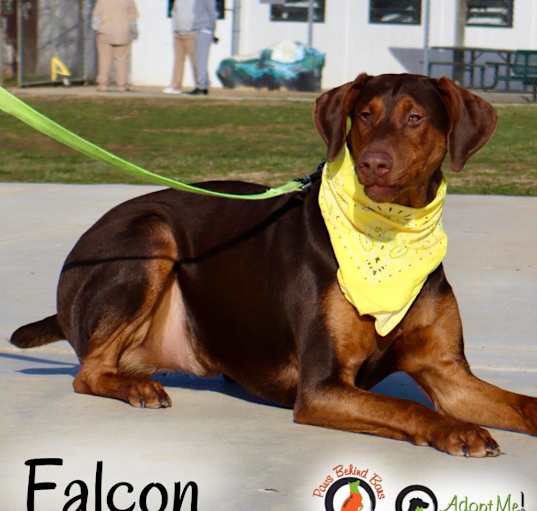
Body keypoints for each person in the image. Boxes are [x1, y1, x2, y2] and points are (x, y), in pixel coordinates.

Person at [92, 0, 139, 93]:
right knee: (122, 59)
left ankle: (103, 85)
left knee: (104, 58)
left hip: (105, 31)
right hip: (123, 32)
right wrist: (135, 33)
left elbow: (96, 17)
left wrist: (96, 29)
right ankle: (122, 85)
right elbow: (133, 19)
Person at [163, 0, 198, 95]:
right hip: (178, 34)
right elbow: (174, 13)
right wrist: (174, 30)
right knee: (178, 61)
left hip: (191, 34)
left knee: (196, 62)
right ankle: (176, 86)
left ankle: (200, 86)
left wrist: (194, 29)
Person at [189, 0, 218, 96]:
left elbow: (213, 14)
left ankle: (201, 87)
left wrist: (213, 32)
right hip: (198, 30)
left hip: (205, 30)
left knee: (201, 61)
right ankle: (204, 86)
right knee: (199, 60)